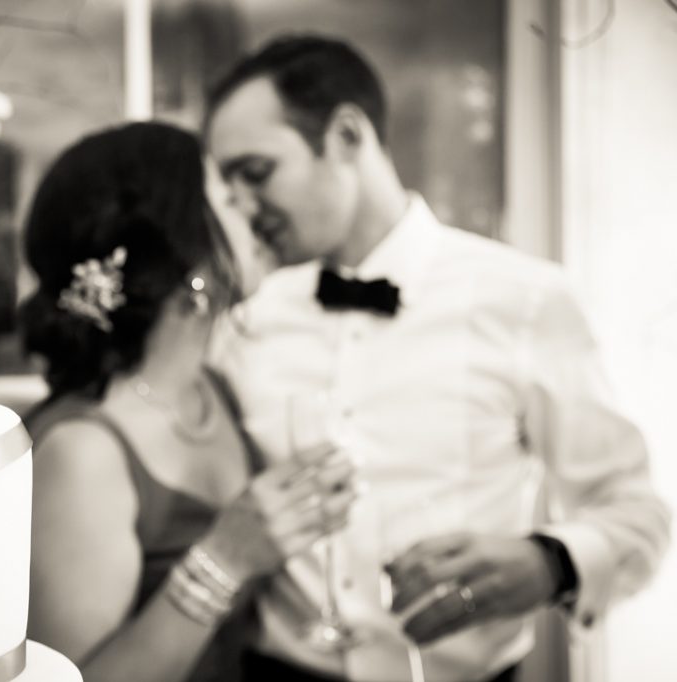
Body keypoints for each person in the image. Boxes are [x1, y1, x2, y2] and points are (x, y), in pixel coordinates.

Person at [203, 35, 671, 682]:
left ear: (345, 136)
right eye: (229, 187)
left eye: (256, 173)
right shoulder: (247, 322)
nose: (244, 206)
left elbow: (637, 512)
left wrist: (548, 564)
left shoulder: (527, 300)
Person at [20, 121, 360, 682]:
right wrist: (225, 558)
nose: (253, 210)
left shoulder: (215, 389)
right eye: (228, 197)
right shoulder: (82, 452)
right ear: (176, 244)